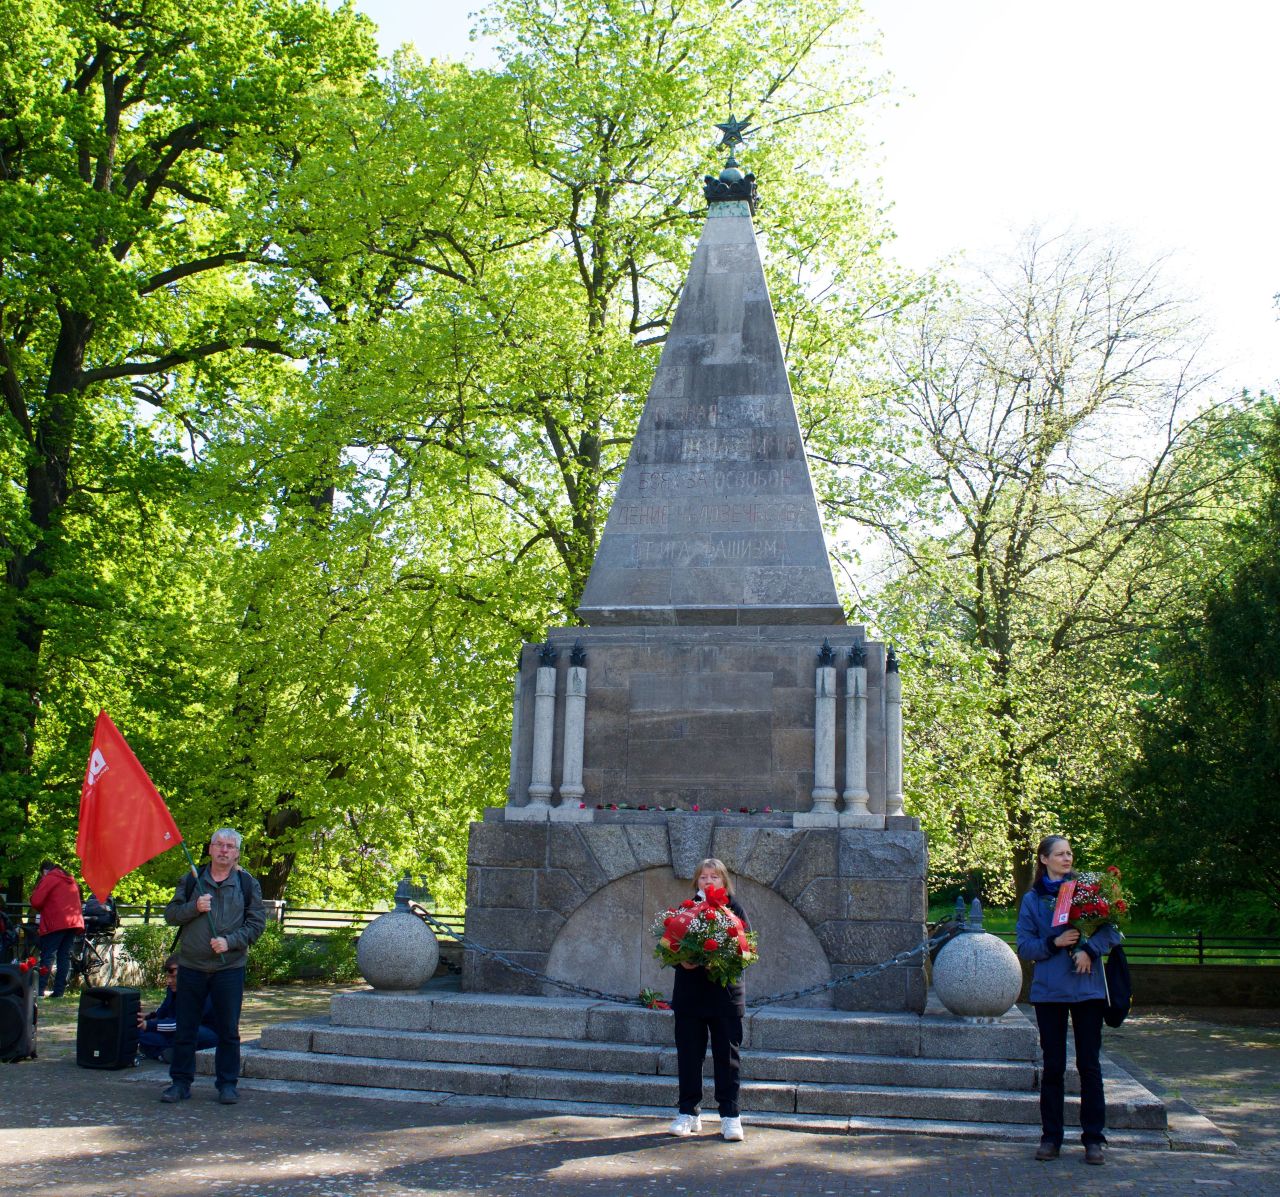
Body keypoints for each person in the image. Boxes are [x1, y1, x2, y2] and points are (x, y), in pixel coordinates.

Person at [1016, 835, 1122, 1166]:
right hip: (1050, 993)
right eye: (1060, 854)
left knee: (1089, 1065)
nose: (1067, 858)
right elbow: (1025, 946)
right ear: (1044, 859)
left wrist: (1090, 950)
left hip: (1088, 991)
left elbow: (1111, 931)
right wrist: (1055, 941)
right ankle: (1051, 1138)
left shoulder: (1089, 890)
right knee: (1053, 1067)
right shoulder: (1033, 901)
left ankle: (1093, 1139)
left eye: (1070, 854)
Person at [161, 828, 265, 1105]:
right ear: (209, 849)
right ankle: (180, 1082)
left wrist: (230, 942)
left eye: (230, 846)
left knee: (228, 1030)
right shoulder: (191, 880)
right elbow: (171, 915)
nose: (223, 850)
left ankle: (227, 1084)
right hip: (192, 966)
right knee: (186, 1027)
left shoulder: (247, 884)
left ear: (237, 853)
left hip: (228, 967)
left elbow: (257, 924)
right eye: (218, 844)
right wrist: (194, 907)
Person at [668, 857, 750, 1143]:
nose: (708, 881)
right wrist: (683, 962)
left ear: (724, 881)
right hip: (691, 995)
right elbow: (670, 945)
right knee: (689, 1055)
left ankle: (730, 1116)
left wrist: (721, 960)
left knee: (727, 1059)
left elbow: (746, 948)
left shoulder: (734, 909)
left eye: (714, 876)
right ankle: (688, 1112)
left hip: (724, 996)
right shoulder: (687, 909)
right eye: (703, 877)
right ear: (696, 881)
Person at [137, 955, 218, 1062]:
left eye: (173, 976)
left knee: (187, 1032)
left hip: (205, 1033)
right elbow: (161, 1012)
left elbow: (182, 1023)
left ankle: (162, 1051)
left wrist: (148, 1025)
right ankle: (168, 1052)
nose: (169, 981)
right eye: (167, 977)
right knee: (138, 1032)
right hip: (177, 1031)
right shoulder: (173, 990)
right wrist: (144, 1018)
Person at [30, 861, 85, 999]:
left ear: (45, 871)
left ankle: (40, 990)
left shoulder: (50, 878)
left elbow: (36, 901)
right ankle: (59, 992)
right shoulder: (70, 878)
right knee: (64, 957)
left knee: (48, 956)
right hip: (73, 922)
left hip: (56, 923)